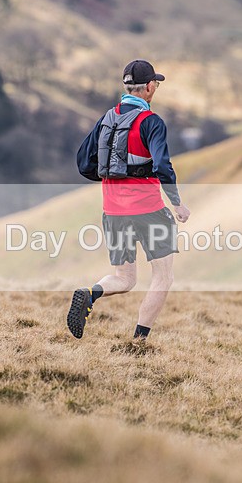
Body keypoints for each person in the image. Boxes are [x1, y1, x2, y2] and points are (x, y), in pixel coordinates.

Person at [68, 59, 191, 341]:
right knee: (163, 277)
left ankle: (90, 293)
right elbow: (162, 166)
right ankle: (139, 341)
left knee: (124, 278)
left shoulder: (107, 119)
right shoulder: (152, 122)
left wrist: (114, 178)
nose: (155, 88)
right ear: (149, 87)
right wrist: (176, 203)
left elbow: (84, 164)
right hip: (148, 210)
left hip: (112, 211)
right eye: (155, 84)